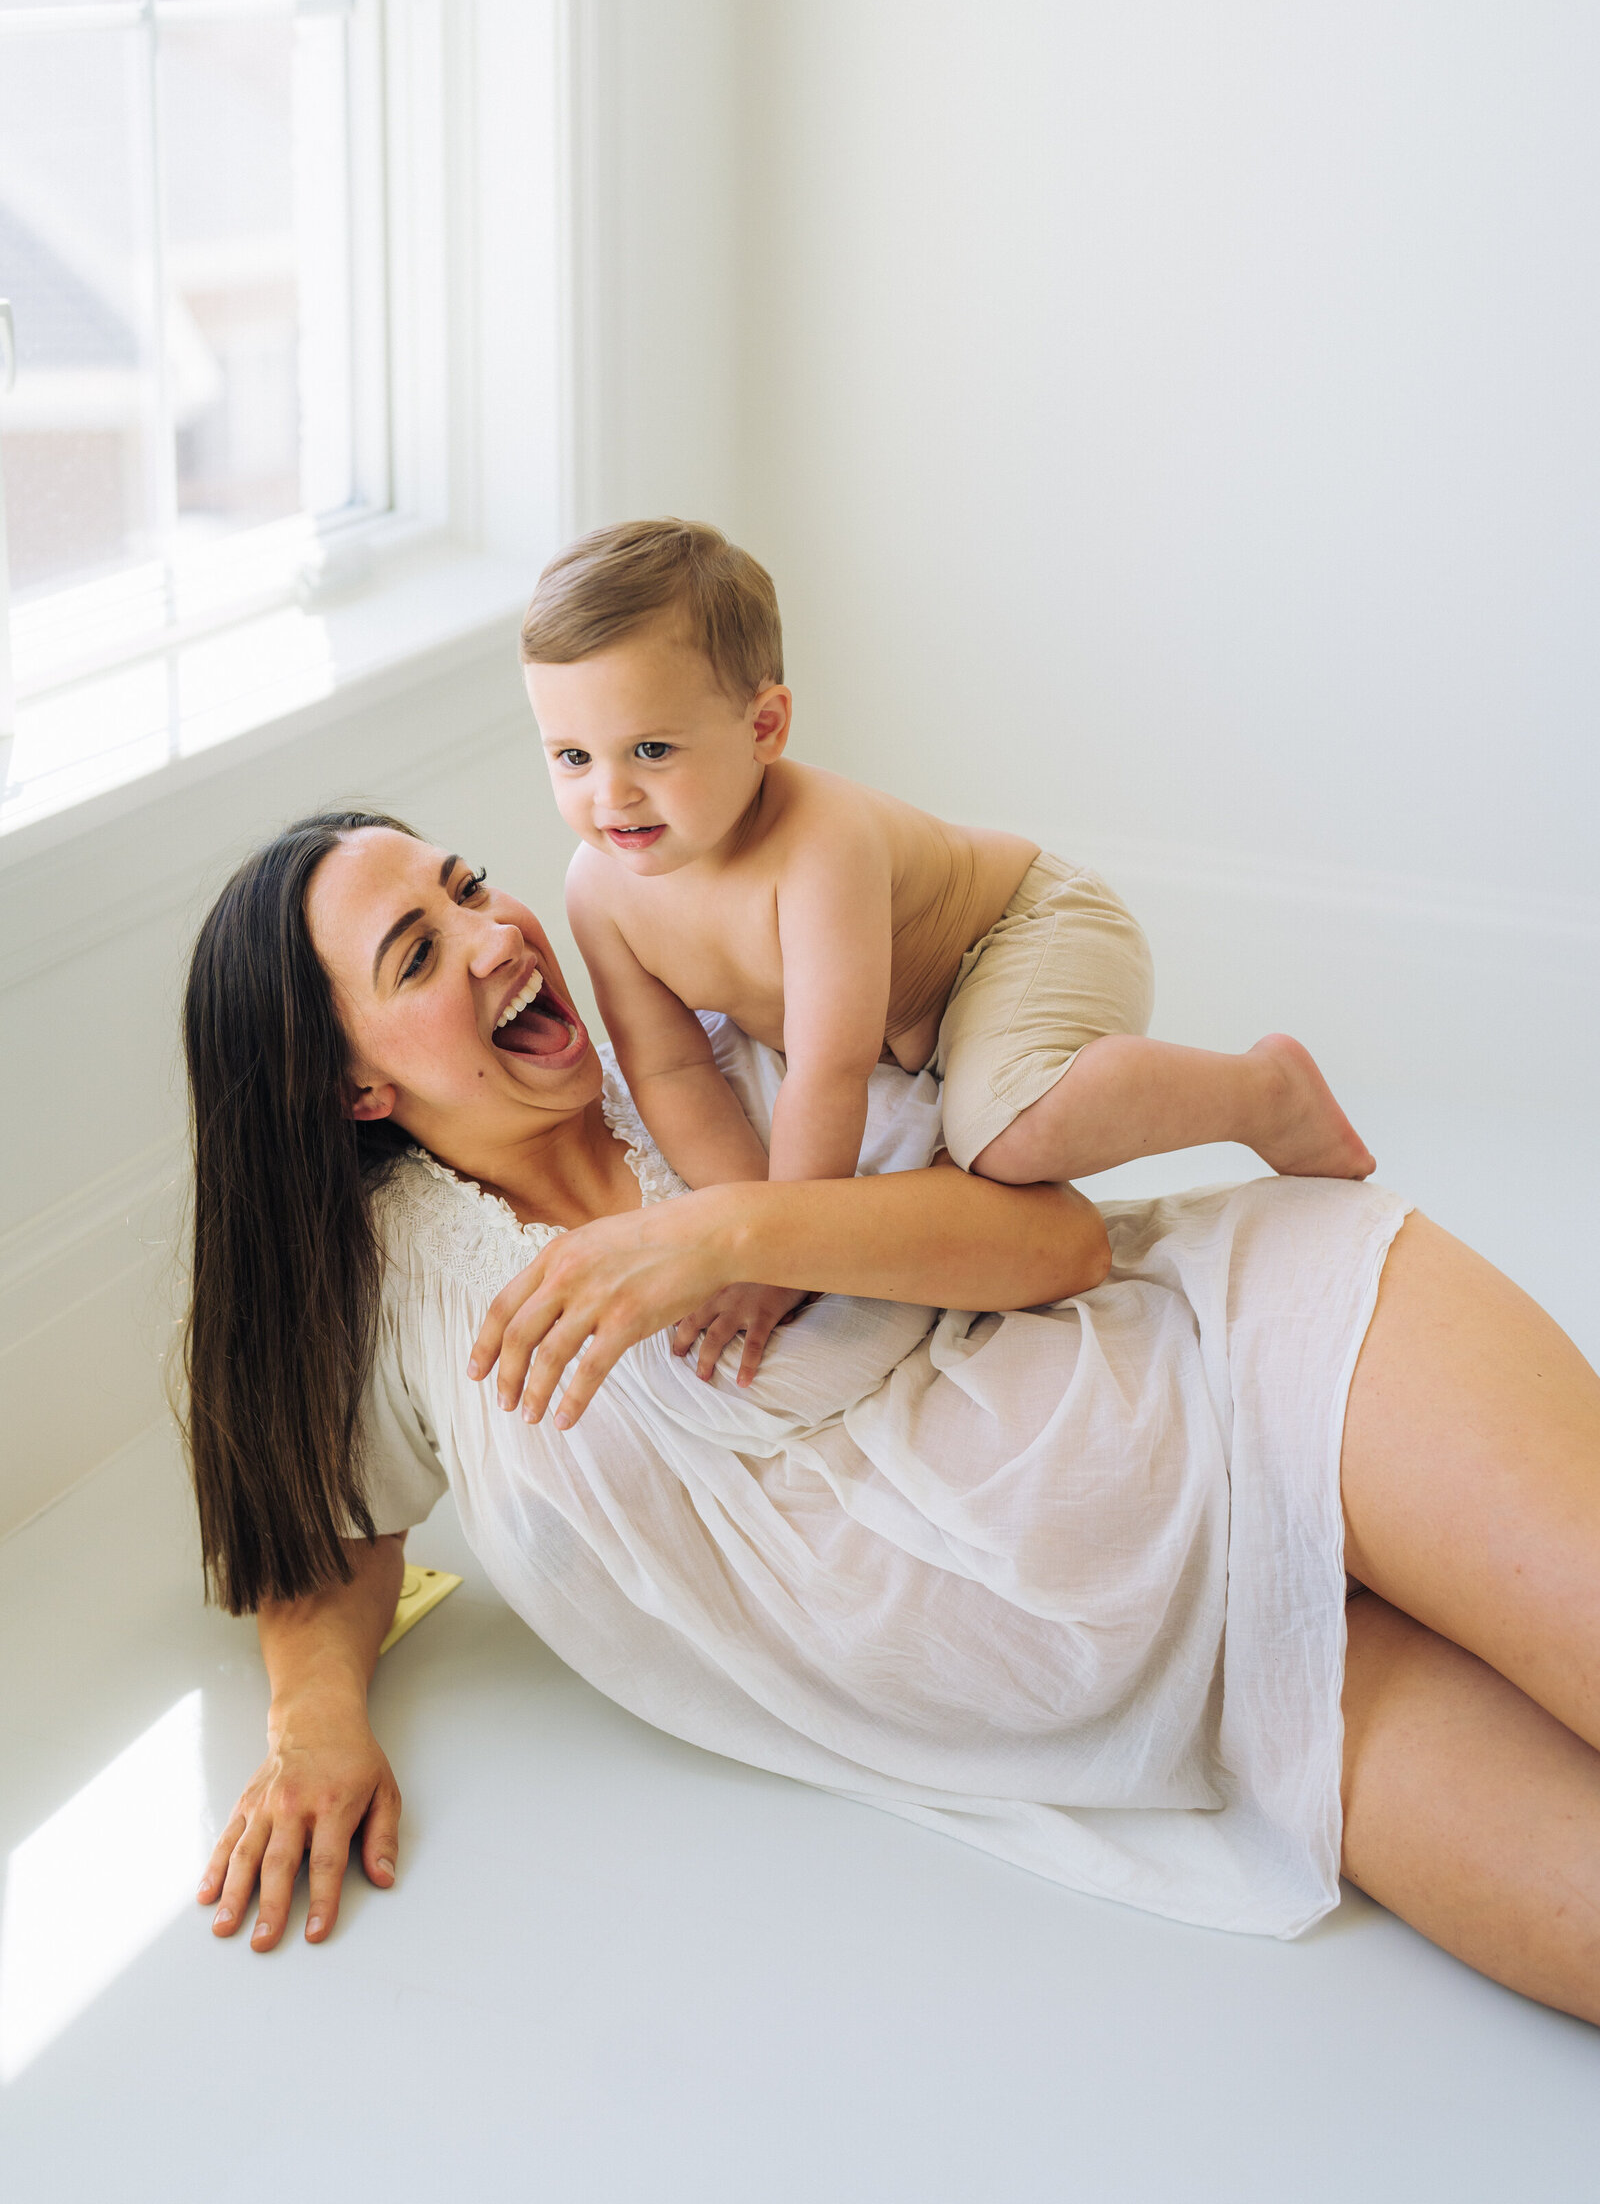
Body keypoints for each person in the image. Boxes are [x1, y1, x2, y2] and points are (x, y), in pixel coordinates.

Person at [185, 811, 1600, 2026]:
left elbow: (1058, 1250)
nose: (494, 935)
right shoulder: (399, 1295)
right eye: (418, 953)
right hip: (1203, 1674)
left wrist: (735, 1234)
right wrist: (313, 1722)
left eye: (468, 886)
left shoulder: (698, 1051)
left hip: (1279, 1370)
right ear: (352, 1087)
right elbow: (332, 1522)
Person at [520, 519, 1373, 1380]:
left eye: (653, 749)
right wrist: (741, 1228)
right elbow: (671, 1072)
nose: (611, 793)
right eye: (572, 756)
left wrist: (776, 1251)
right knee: (935, 1198)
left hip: (1025, 933)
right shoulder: (598, 891)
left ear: (765, 726)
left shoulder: (820, 843)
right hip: (911, 1021)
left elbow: (828, 1068)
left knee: (1008, 1140)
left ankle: (1263, 1093)